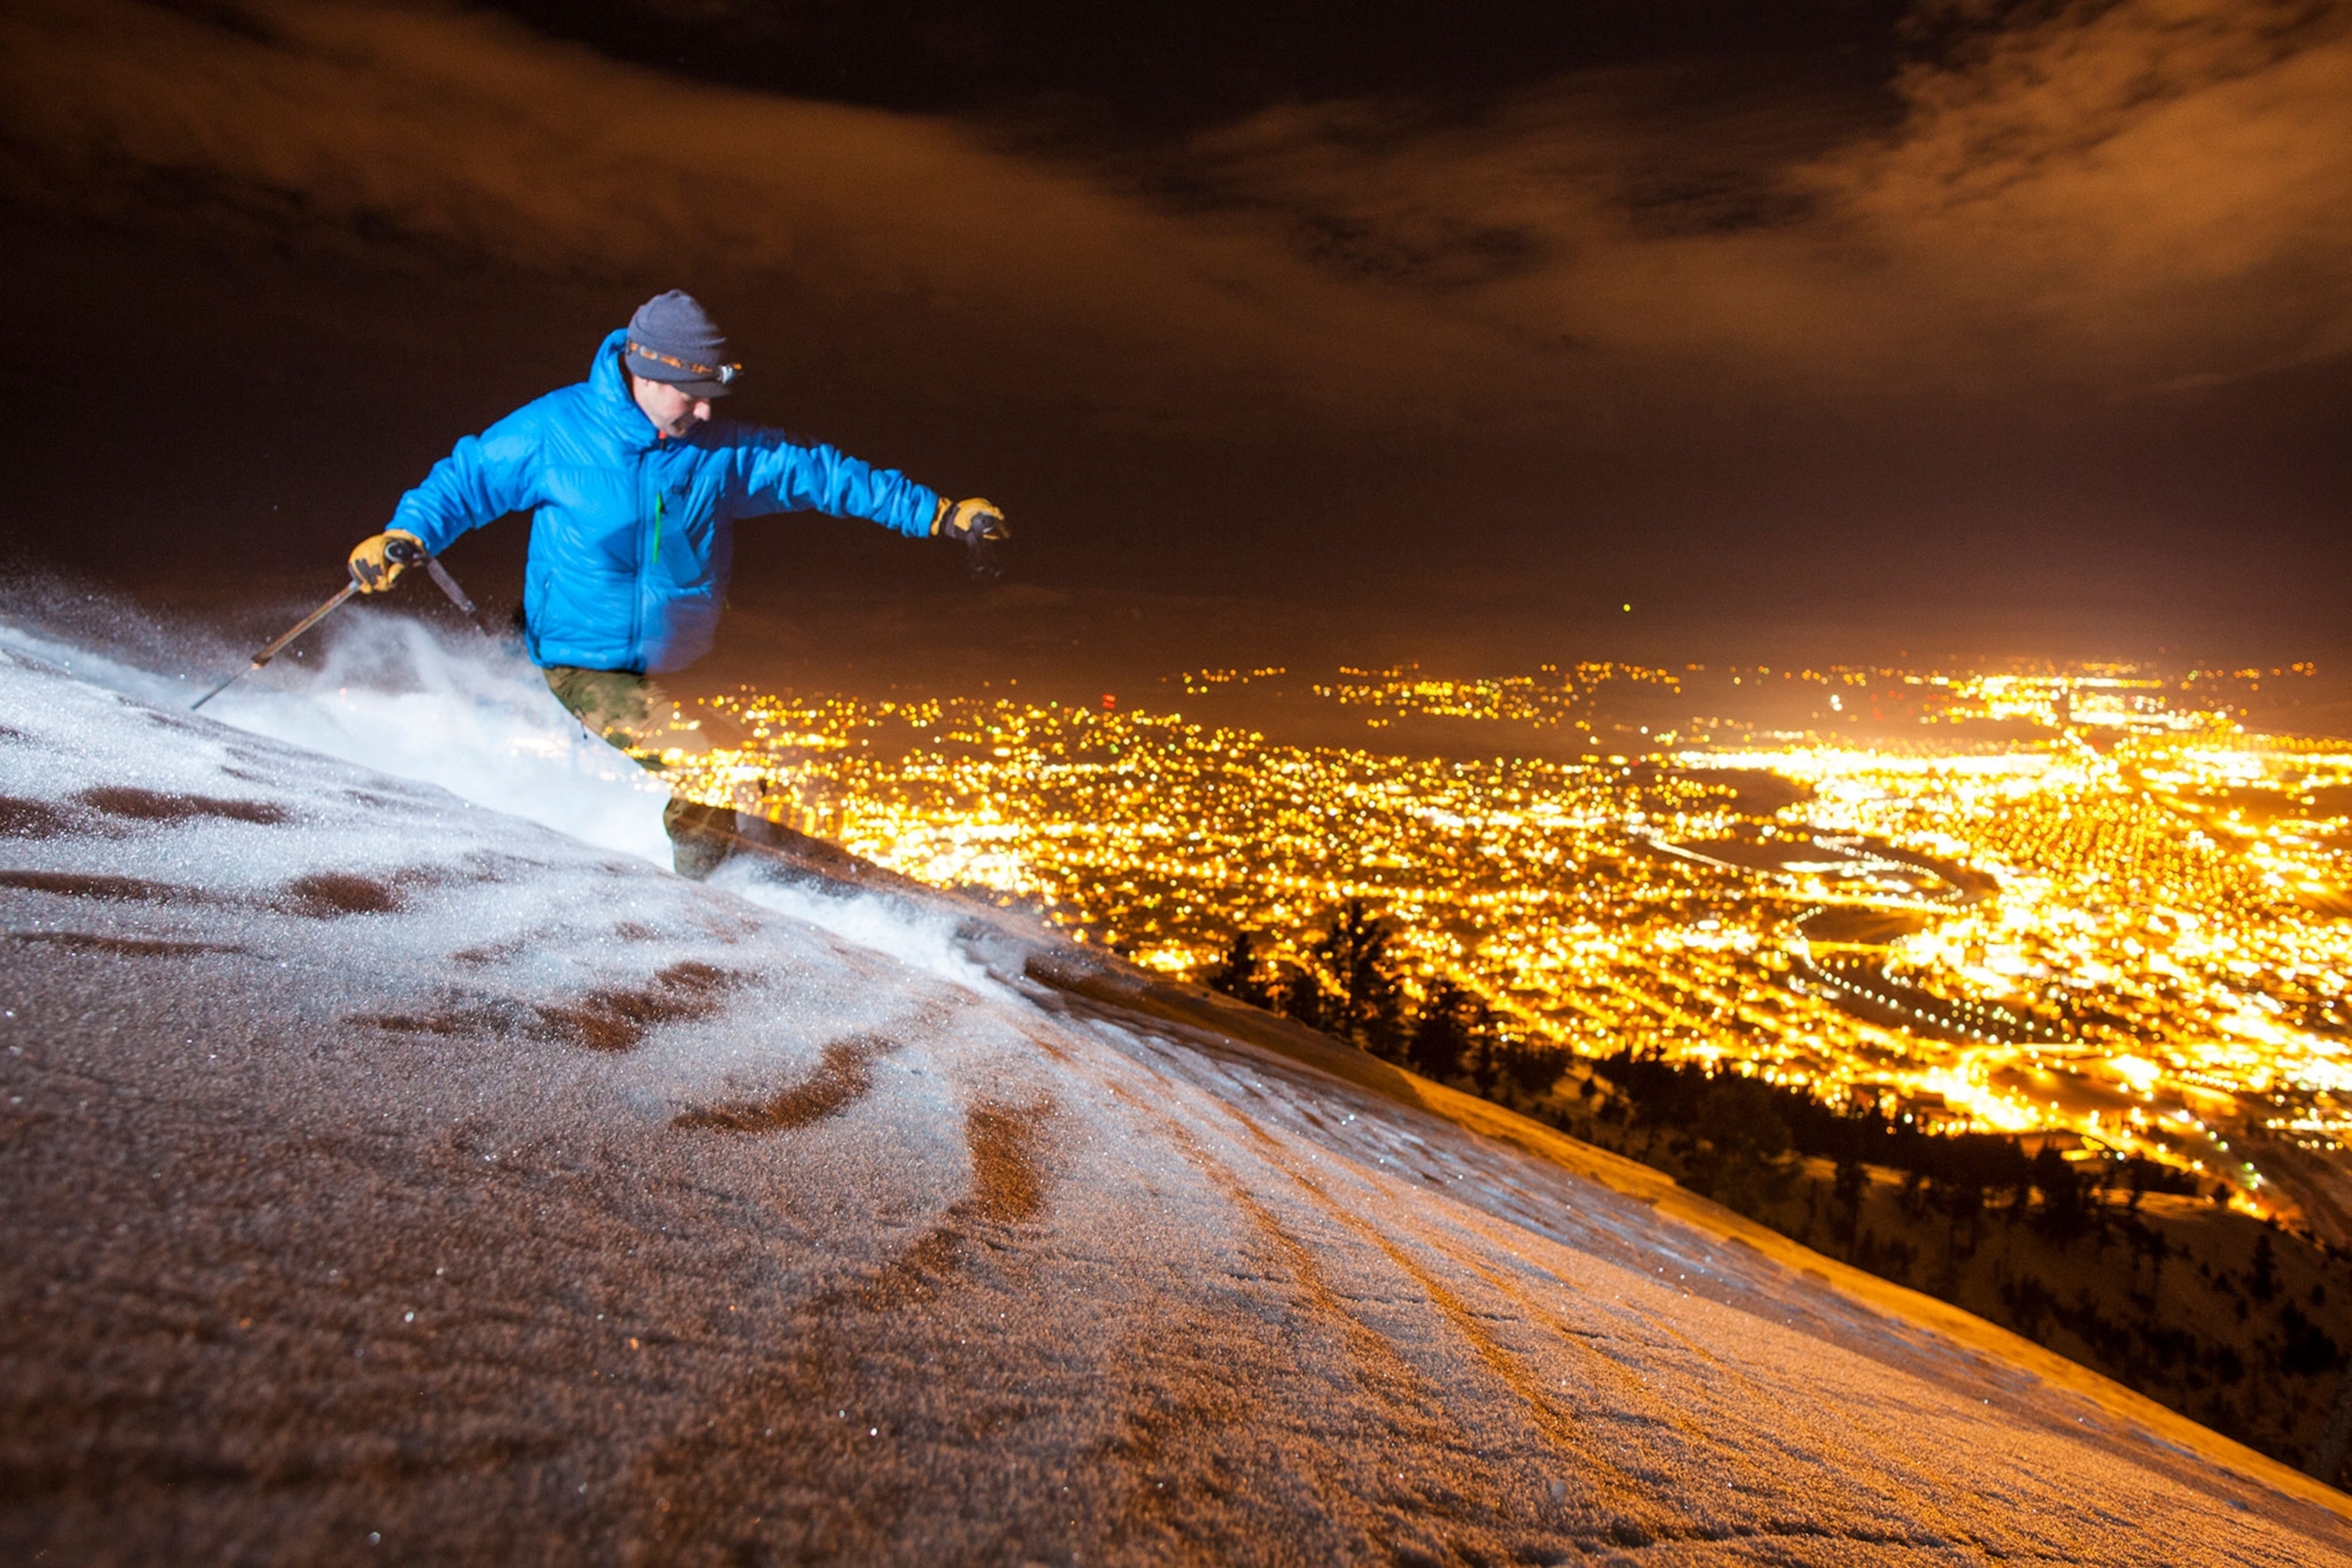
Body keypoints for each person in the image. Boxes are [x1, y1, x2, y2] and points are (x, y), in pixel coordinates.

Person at [345, 290, 1006, 875]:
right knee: (710, 771)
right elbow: (468, 479)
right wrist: (407, 537)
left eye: (713, 398)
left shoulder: (720, 453)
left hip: (680, 662)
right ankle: (699, 900)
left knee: (743, 766)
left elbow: (828, 474)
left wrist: (942, 515)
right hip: (586, 662)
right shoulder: (558, 430)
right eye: (691, 395)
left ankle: (728, 856)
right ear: (645, 372)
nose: (705, 413)